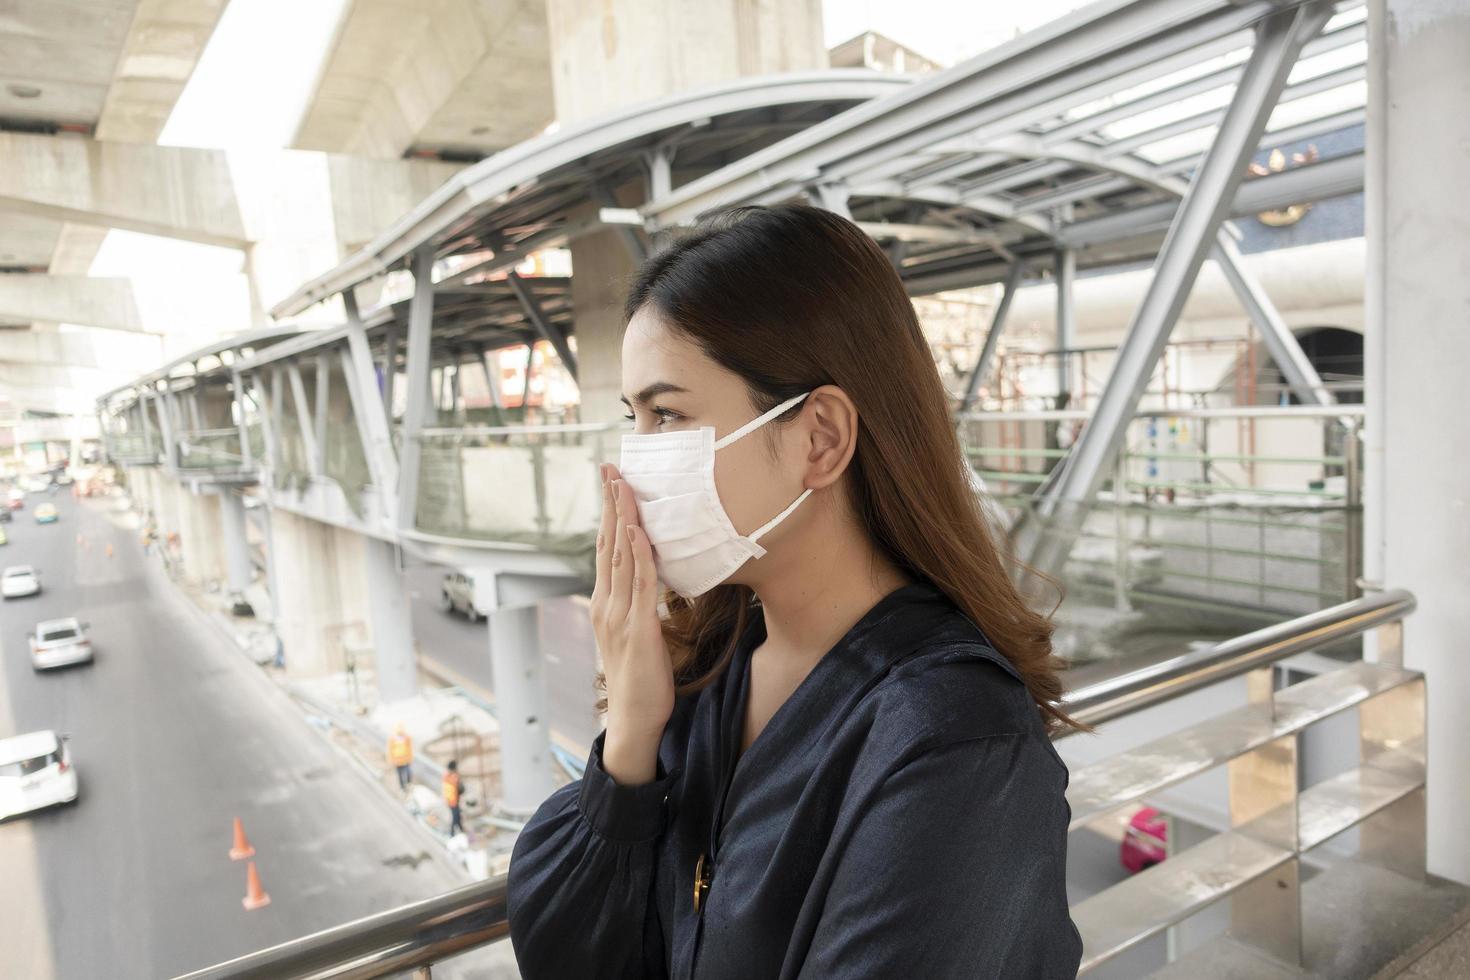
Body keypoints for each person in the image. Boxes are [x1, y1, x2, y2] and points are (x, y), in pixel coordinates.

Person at [506, 205, 1089, 980]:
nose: (631, 468)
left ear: (819, 438)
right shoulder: (711, 668)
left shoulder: (953, 739)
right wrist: (631, 744)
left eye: (668, 415)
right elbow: (569, 954)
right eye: (634, 420)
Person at [387, 723, 413, 792]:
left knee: (408, 772)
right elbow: (390, 750)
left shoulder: (407, 738)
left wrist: (410, 758)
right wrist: (391, 760)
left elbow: (409, 748)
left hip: (405, 760)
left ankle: (408, 783)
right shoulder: (392, 739)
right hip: (397, 761)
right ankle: (402, 787)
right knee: (400, 775)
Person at [442, 760, 464, 837]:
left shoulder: (446, 777)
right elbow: (461, 789)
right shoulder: (454, 778)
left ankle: (461, 831)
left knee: (457, 816)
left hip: (449, 800)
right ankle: (452, 834)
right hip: (454, 801)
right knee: (455, 818)